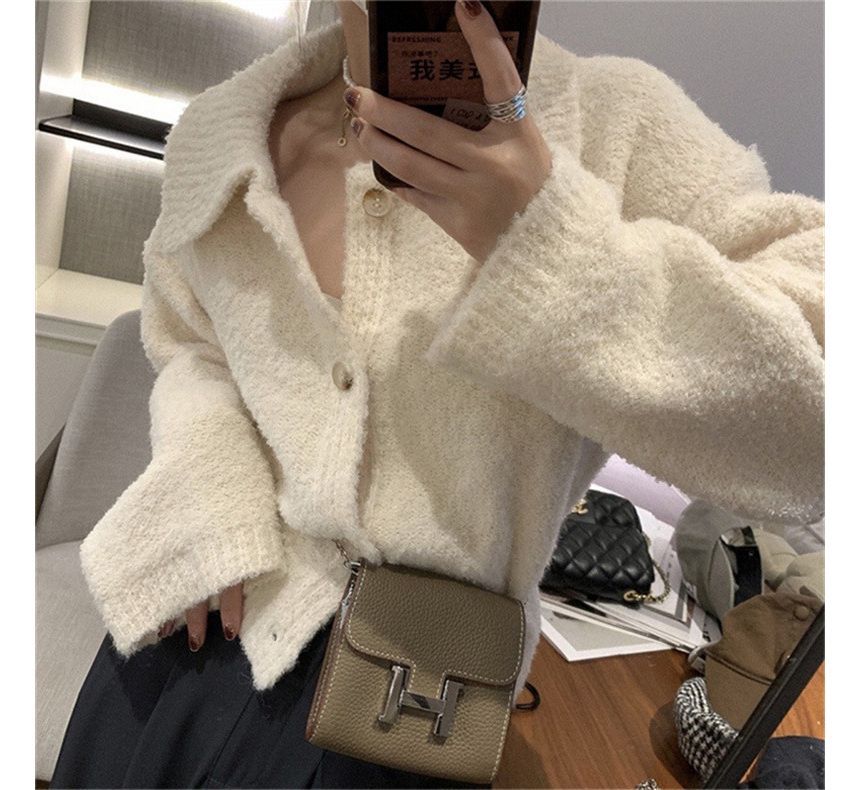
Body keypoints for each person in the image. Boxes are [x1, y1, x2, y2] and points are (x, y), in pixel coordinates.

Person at [49, 0, 825, 787]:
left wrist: (547, 240)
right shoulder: (226, 132)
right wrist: (207, 490)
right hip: (183, 634)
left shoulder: (613, 126)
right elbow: (191, 343)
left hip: (410, 707)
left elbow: (819, 429)